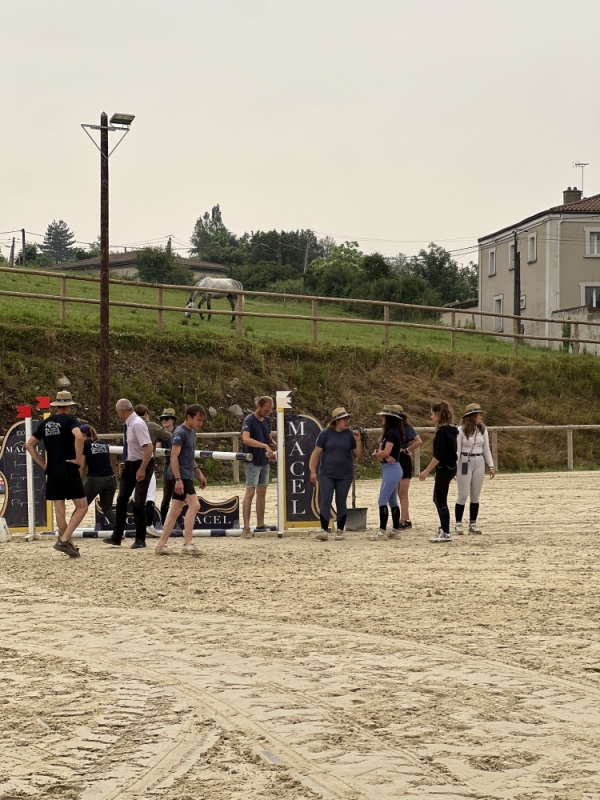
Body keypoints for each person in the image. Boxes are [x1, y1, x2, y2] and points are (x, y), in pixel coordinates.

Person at [25, 390, 87, 558]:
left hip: (52, 471)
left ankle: (70, 545)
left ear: (57, 406)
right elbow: (79, 437)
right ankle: (64, 539)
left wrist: (43, 464)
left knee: (60, 510)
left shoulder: (46, 422)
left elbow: (29, 445)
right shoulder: (70, 420)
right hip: (67, 468)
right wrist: (78, 458)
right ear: (69, 406)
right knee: (82, 507)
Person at [155, 404, 207, 556]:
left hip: (186, 474)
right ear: (189, 417)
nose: (200, 424)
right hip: (181, 476)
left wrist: (199, 474)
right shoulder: (180, 433)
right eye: (198, 420)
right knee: (195, 505)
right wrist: (178, 479)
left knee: (176, 510)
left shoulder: (191, 433)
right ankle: (187, 543)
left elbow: (189, 457)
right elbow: (174, 456)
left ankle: (161, 544)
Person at [104, 399, 154, 549]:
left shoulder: (137, 424)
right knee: (121, 499)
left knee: (138, 502)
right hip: (130, 463)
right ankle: (117, 535)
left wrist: (142, 468)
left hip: (142, 463)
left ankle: (140, 538)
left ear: (121, 411)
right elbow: (131, 447)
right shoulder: (128, 424)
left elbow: (149, 447)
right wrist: (125, 460)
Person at [309, 407, 363, 542]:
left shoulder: (351, 434)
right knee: (326, 499)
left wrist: (357, 440)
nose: (347, 421)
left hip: (345, 474)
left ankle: (340, 530)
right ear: (336, 421)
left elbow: (359, 455)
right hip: (326, 473)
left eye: (348, 418)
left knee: (341, 501)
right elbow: (316, 453)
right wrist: (313, 471)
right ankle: (323, 529)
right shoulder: (325, 434)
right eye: (344, 419)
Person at [419, 401, 458, 544]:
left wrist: (426, 471)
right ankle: (443, 528)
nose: (431, 417)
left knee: (441, 500)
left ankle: (446, 532)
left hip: (445, 468)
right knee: (437, 498)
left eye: (432, 414)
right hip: (449, 467)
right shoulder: (451, 430)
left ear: (438, 414)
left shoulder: (442, 432)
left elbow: (439, 455)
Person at [455, 403, 495, 534]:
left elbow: (486, 449)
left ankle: (473, 523)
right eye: (479, 414)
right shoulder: (460, 430)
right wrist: (455, 467)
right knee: (463, 494)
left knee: (475, 495)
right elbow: (458, 450)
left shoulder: (483, 430)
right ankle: (458, 523)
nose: (481, 416)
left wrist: (491, 465)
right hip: (465, 460)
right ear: (472, 416)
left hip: (478, 461)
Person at [241, 396, 276, 538]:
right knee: (250, 493)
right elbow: (246, 439)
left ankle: (260, 523)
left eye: (269, 411)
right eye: (266, 410)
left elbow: (269, 440)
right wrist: (264, 446)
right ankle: (246, 527)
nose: (267, 413)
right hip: (252, 460)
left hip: (264, 461)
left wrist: (276, 446)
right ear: (259, 406)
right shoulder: (249, 420)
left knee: (262, 492)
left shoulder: (267, 420)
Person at [133, 404, 170, 536]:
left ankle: (138, 526)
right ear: (146, 414)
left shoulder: (129, 425)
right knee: (150, 495)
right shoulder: (152, 425)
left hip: (132, 461)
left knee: (135, 495)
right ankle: (148, 524)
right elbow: (168, 436)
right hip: (146, 461)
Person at [370, 406, 404, 541]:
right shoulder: (389, 433)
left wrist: (377, 455)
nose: (381, 418)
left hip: (392, 469)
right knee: (392, 500)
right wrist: (382, 455)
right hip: (391, 468)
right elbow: (383, 450)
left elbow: (385, 452)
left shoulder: (392, 433)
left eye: (383, 416)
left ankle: (382, 530)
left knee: (382, 500)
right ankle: (395, 529)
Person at [80, 424, 117, 528]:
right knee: (107, 508)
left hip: (95, 479)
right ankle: (118, 532)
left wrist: (79, 481)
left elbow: (82, 466)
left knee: (81, 507)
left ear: (83, 435)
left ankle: (67, 531)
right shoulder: (103, 443)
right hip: (111, 478)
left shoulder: (85, 445)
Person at [393, 405, 422, 529]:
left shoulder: (407, 428)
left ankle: (402, 520)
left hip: (403, 459)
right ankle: (407, 519)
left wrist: (406, 449)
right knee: (399, 493)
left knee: (403, 492)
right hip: (394, 459)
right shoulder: (390, 429)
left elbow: (418, 441)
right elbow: (380, 440)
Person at [157, 407, 177, 528]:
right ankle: (163, 523)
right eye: (162, 419)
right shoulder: (160, 433)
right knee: (166, 495)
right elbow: (158, 450)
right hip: (168, 464)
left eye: (166, 418)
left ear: (173, 420)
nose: (164, 420)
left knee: (180, 495)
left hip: (179, 465)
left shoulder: (178, 432)